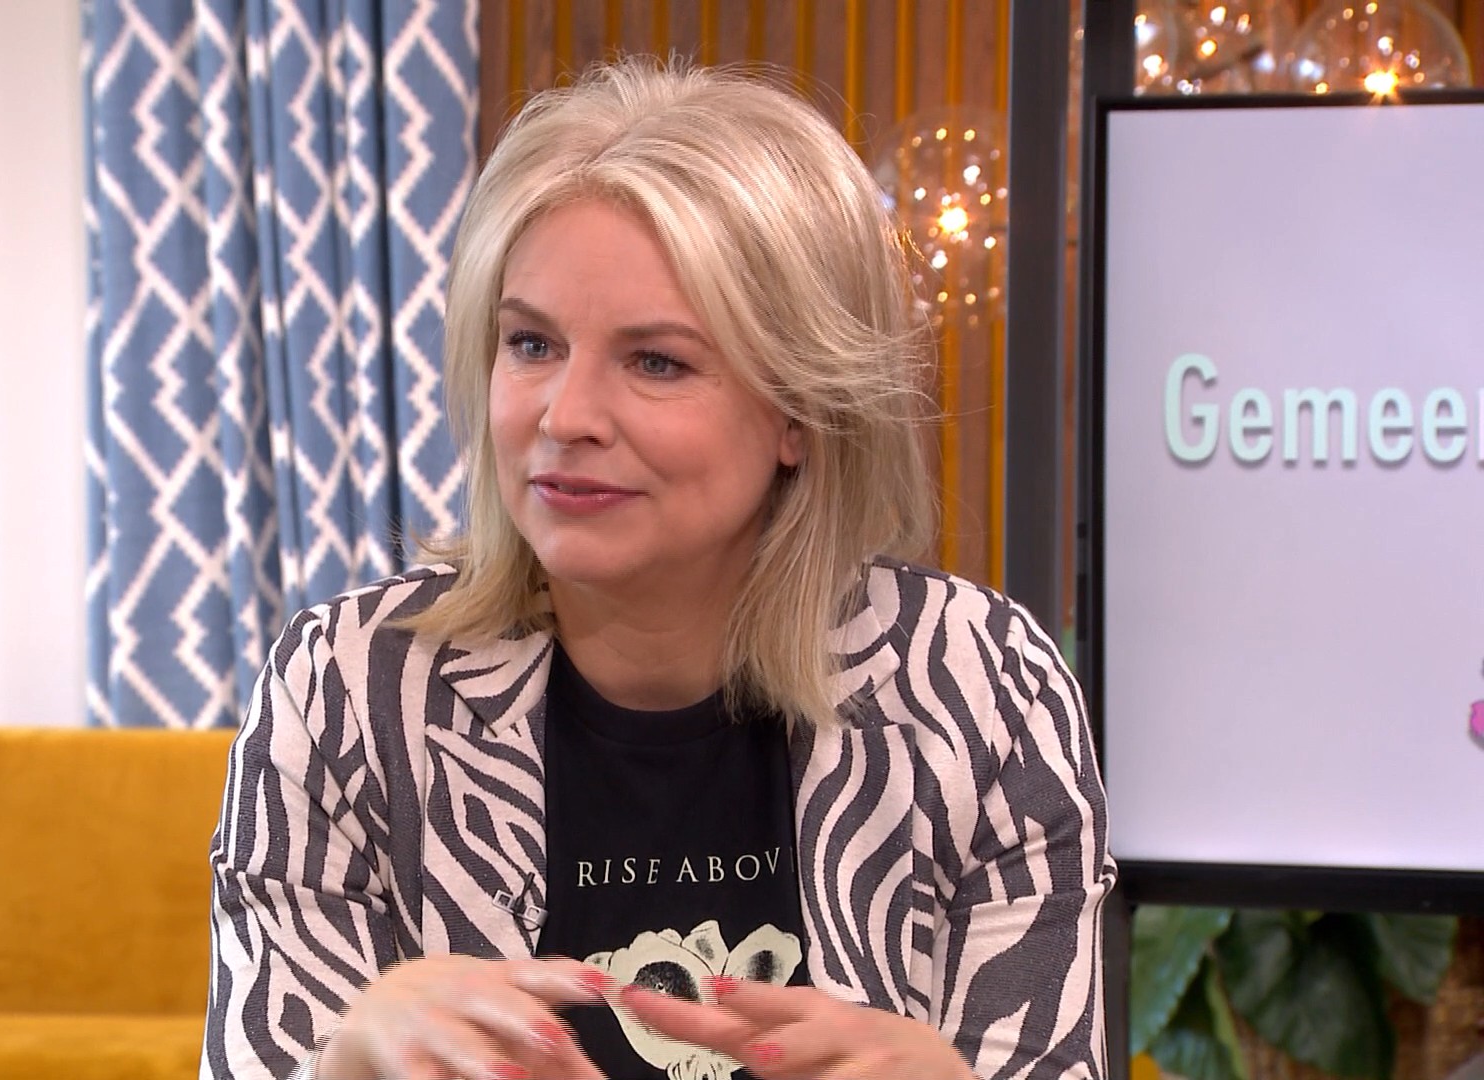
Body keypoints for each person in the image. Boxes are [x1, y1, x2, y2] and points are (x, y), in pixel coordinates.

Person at [203, 58, 1114, 1080]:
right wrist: (342, 1065)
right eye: (531, 343)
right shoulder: (349, 689)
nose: (566, 417)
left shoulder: (982, 691)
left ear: (800, 411)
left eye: (657, 362)